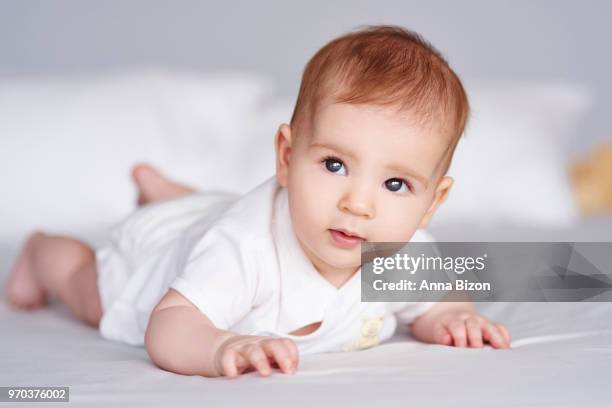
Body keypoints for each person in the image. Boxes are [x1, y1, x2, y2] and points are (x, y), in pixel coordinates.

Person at [4, 25, 511, 379]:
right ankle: (41, 249)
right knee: (87, 289)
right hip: (159, 255)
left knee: (213, 209)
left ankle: (167, 192)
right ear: (287, 157)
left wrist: (451, 318)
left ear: (431, 203)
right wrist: (220, 344)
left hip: (218, 213)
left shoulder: (403, 254)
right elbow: (169, 326)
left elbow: (438, 299)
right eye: (335, 165)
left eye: (395, 185)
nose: (359, 204)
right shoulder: (244, 247)